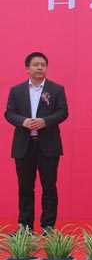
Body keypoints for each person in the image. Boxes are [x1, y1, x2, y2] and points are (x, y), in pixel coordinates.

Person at [4, 52, 69, 232]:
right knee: (25, 187)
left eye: (43, 65)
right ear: (27, 68)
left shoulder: (56, 89)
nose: (40, 68)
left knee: (49, 187)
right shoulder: (17, 90)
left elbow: (63, 112)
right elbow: (9, 113)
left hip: (48, 145)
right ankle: (25, 226)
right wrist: (23, 121)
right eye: (36, 65)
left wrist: (45, 121)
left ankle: (48, 226)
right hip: (24, 146)